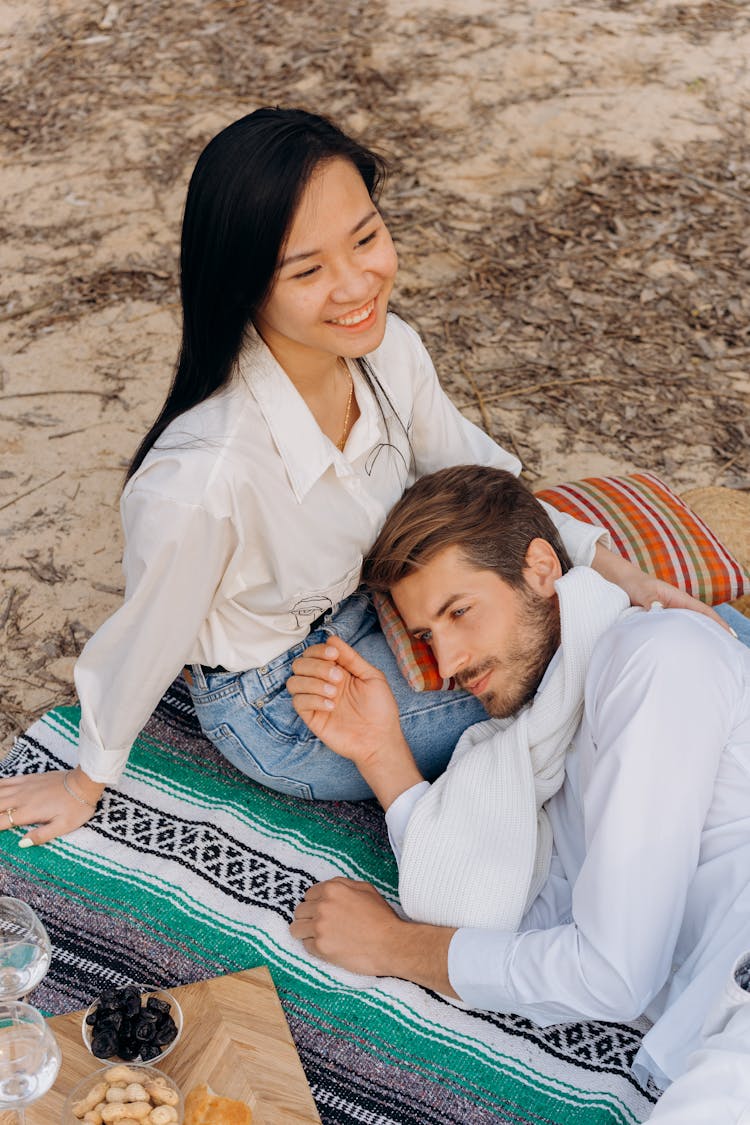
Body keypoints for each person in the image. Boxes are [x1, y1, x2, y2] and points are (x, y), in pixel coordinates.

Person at [0, 109, 731, 847]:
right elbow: (144, 638)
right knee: (578, 669)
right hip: (275, 703)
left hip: (371, 606)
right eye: (309, 270)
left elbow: (490, 493)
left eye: (367, 238)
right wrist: (82, 778)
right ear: (244, 287)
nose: (357, 284)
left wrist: (629, 578)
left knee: (618, 624)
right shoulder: (202, 478)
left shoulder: (390, 353)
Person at [287, 465, 750, 1119]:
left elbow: (610, 973)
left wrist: (390, 944)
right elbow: (513, 923)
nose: (447, 664)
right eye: (427, 637)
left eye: (459, 612)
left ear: (539, 568)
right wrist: (382, 755)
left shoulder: (656, 660)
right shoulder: (551, 732)